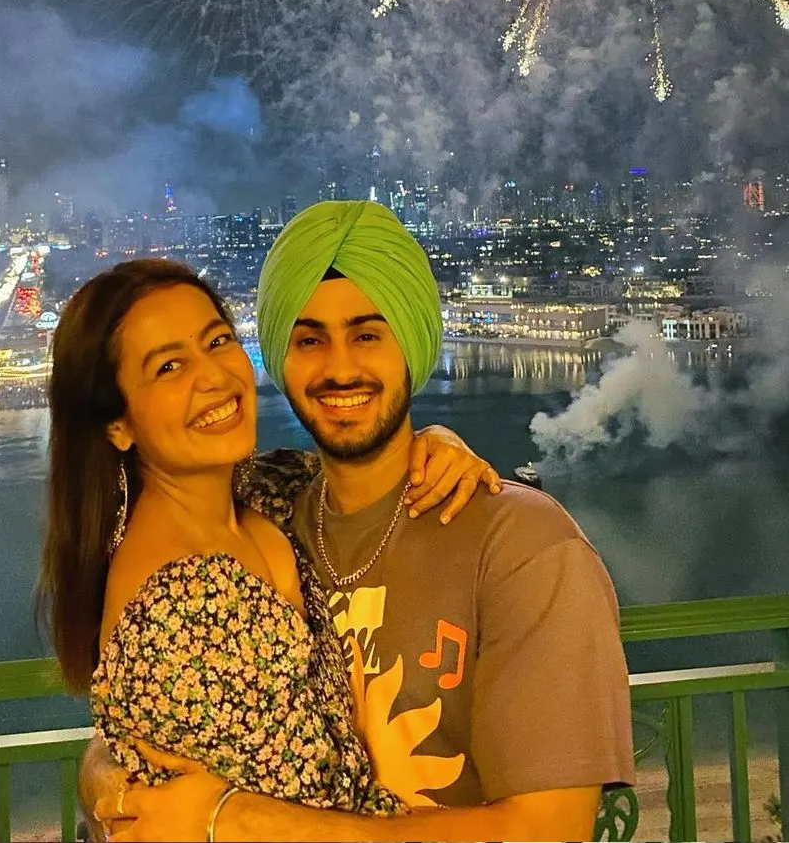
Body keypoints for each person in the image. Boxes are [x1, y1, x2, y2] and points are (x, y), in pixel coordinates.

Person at [95, 201, 635, 843]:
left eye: (368, 335)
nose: (341, 368)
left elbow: (550, 831)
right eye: (309, 340)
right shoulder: (264, 518)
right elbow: (142, 716)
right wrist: (105, 780)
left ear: (412, 345)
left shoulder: (522, 546)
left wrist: (236, 819)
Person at [36, 256, 499, 835]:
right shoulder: (183, 608)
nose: (214, 377)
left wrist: (437, 442)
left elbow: (354, 478)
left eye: (217, 341)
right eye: (169, 366)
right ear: (117, 425)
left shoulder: (265, 494)